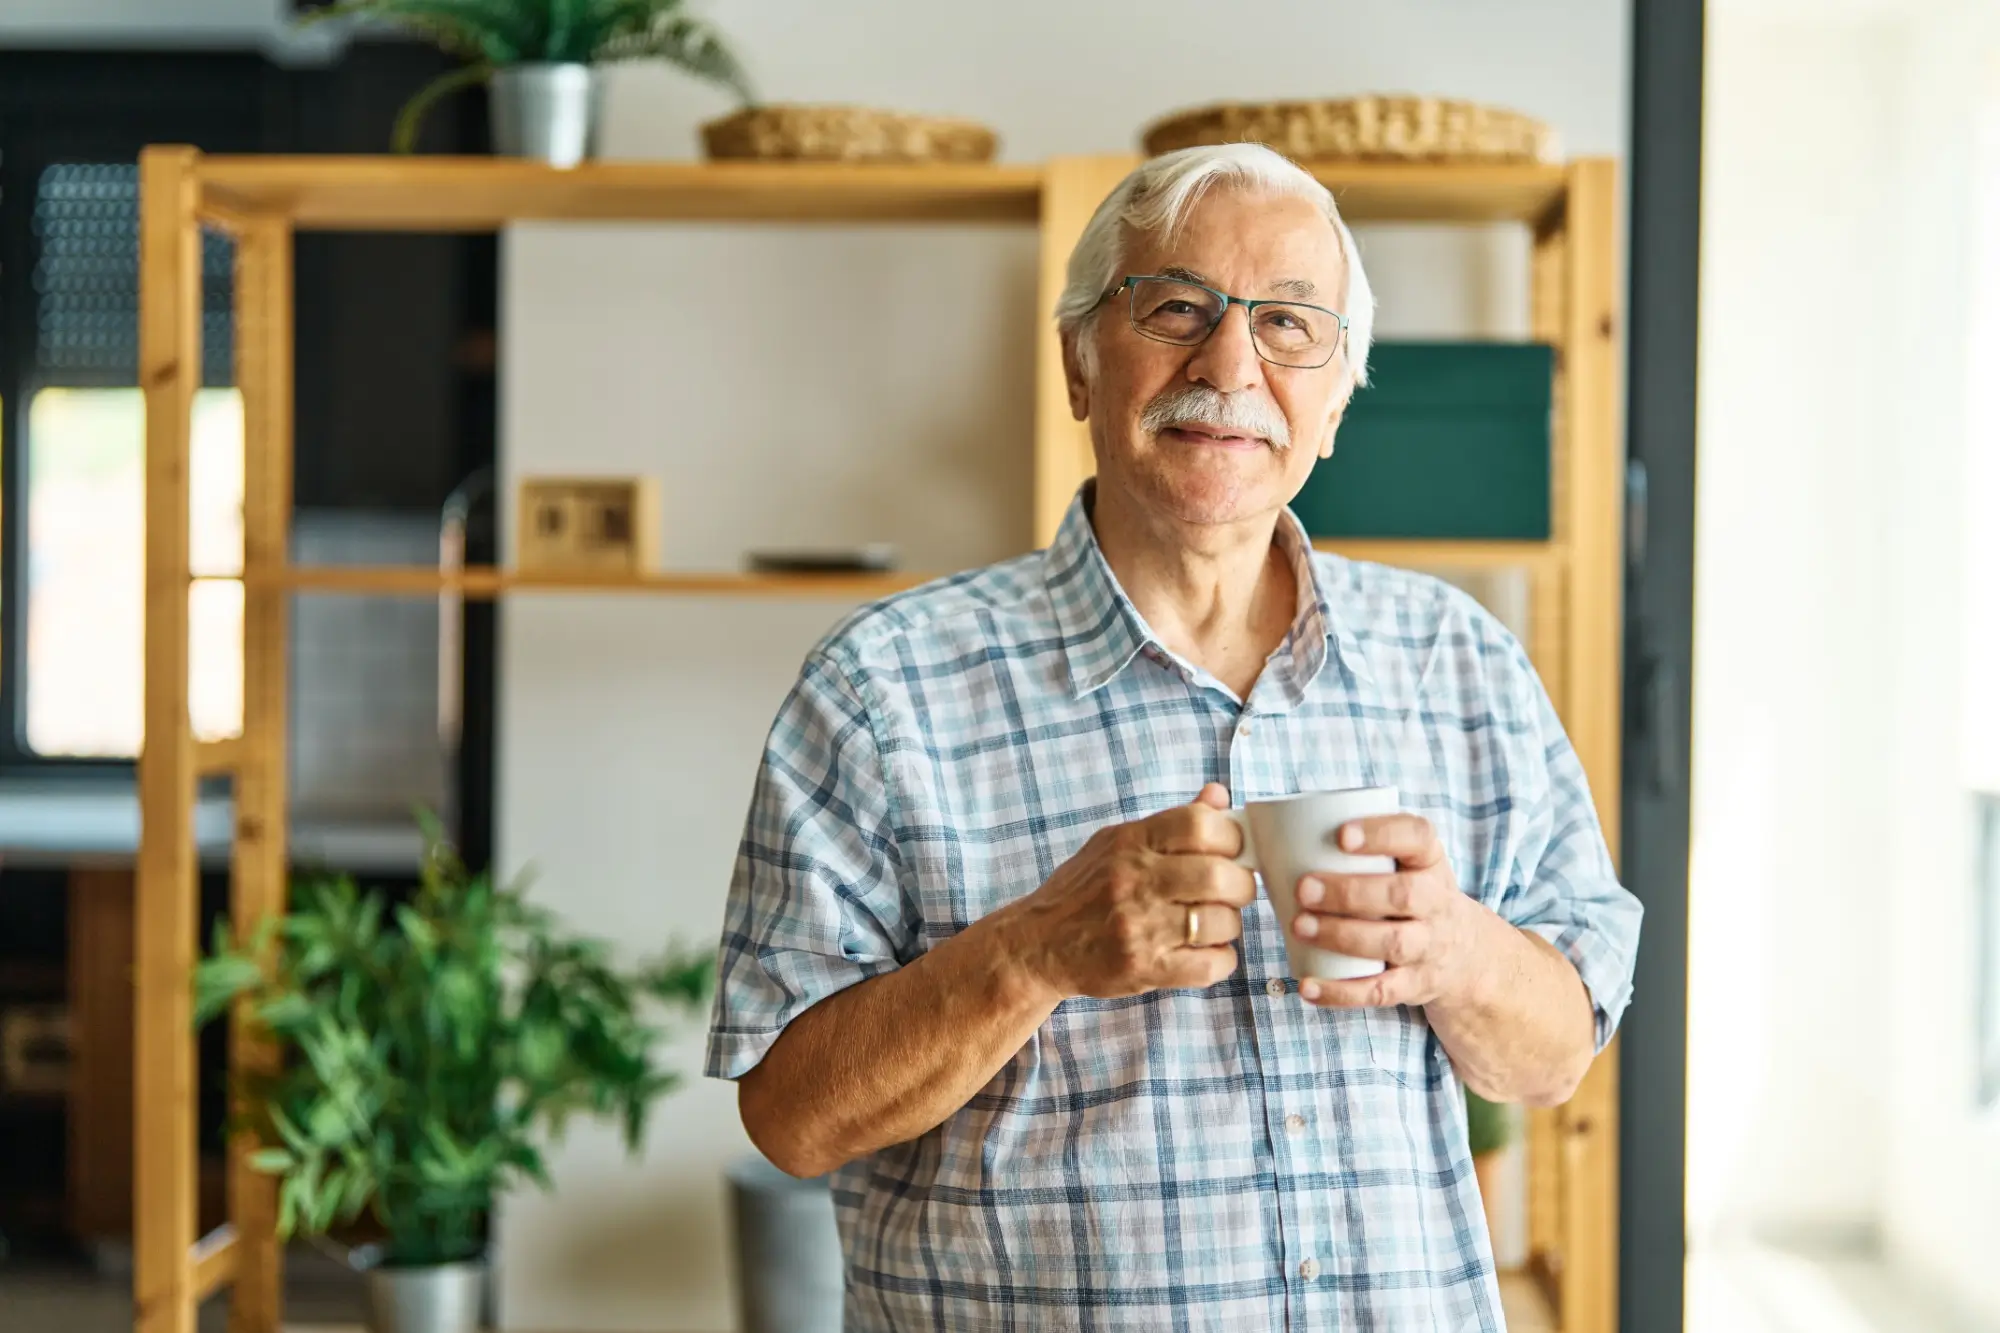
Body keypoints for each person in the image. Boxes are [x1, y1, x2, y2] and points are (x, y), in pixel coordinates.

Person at [705, 142, 1643, 1331]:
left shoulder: (1459, 661)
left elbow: (1555, 1055)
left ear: (1340, 397)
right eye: (1179, 308)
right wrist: (1033, 951)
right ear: (1080, 361)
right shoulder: (881, 690)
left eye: (1291, 325)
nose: (1230, 364)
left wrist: (1452, 950)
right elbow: (792, 1118)